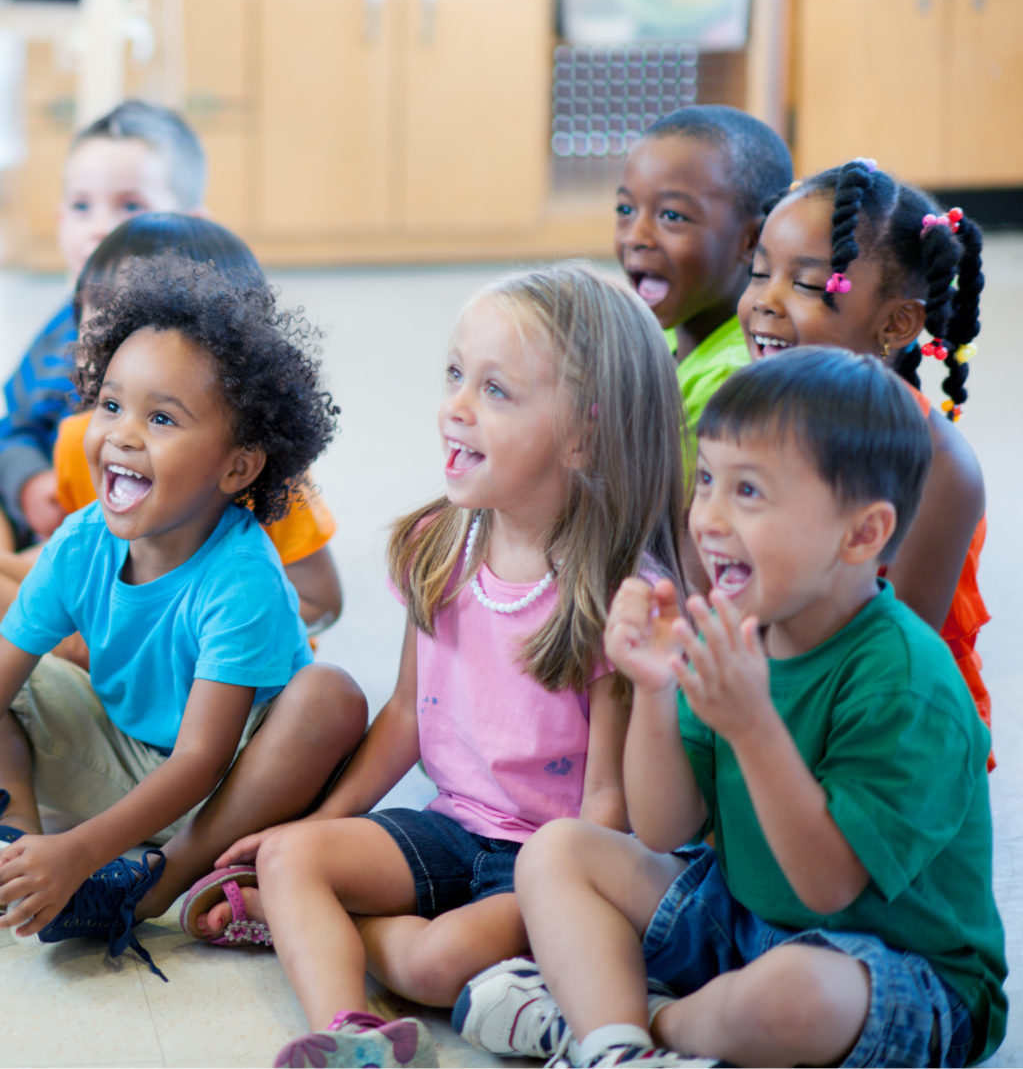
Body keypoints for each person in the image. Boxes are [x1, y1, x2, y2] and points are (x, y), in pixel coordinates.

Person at [456, 348, 1005, 1069]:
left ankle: (646, 1021)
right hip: (747, 921)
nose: (707, 517)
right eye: (707, 478)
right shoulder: (736, 625)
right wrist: (655, 688)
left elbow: (828, 884)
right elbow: (663, 827)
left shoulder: (906, 682)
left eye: (749, 492)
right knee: (558, 850)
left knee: (792, 997)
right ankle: (616, 1049)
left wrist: (752, 725)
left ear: (862, 534)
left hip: (896, 972)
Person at [204, 265, 686, 1069]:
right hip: (451, 822)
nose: (456, 407)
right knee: (294, 856)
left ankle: (297, 923)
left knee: (435, 963)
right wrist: (317, 828)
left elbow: (609, 803)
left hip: (543, 859)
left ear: (583, 435)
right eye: (456, 375)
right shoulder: (442, 542)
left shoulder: (620, 594)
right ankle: (351, 1034)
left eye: (496, 391)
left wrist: (571, 901)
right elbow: (404, 717)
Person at [0, 253, 364, 978]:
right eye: (112, 405)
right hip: (121, 754)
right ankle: (16, 853)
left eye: (161, 418)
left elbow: (199, 761)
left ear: (238, 467)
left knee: (330, 694)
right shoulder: (81, 540)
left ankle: (153, 880)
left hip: (228, 788)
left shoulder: (242, 577)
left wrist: (86, 848)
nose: (122, 434)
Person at [0, 213, 342, 639]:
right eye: (101, 314)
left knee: (323, 694)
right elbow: (82, 560)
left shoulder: (263, 472)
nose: (123, 341)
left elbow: (321, 602)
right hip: (110, 640)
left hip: (215, 669)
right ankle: (81, 661)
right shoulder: (81, 441)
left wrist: (209, 627)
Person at [739, 159, 991, 744]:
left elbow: (898, 664)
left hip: (889, 728)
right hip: (775, 681)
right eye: (757, 273)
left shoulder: (938, 467)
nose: (765, 302)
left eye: (805, 284)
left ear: (897, 323)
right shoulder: (749, 416)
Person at [0, 101, 209, 556]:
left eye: (130, 206)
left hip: (136, 526)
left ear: (190, 229)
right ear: (60, 224)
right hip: (54, 516)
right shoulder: (59, 332)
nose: (99, 228)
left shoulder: (196, 341)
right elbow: (15, 428)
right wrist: (29, 483)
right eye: (81, 206)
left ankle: (0, 586)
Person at [615, 106, 793, 459]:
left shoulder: (737, 382)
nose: (636, 236)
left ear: (751, 239)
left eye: (672, 216)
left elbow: (664, 509)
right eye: (625, 210)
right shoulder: (661, 332)